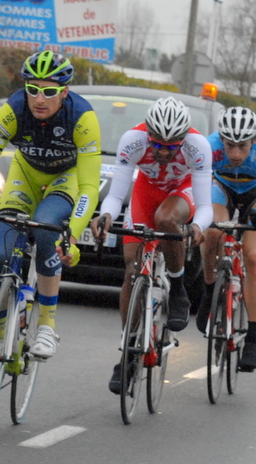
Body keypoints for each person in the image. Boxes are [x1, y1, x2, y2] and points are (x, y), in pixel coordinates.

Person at [0, 50, 100, 367]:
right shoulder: (14, 110)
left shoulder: (82, 117)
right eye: (32, 89)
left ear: (65, 91)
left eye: (49, 91)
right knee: (4, 251)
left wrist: (72, 234)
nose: (39, 99)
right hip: (26, 175)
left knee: (46, 228)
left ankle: (47, 326)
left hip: (65, 178)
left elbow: (89, 186)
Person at [91, 97, 210, 393]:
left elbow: (206, 204)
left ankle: (178, 287)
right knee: (132, 268)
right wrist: (106, 214)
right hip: (146, 191)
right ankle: (128, 350)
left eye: (171, 148)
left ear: (183, 140)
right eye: (156, 144)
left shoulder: (198, 147)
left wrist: (197, 226)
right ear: (147, 135)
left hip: (180, 193)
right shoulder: (132, 140)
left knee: (166, 218)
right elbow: (117, 194)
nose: (162, 152)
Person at [197, 107, 256, 370]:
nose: (235, 154)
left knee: (253, 257)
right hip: (223, 187)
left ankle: (253, 337)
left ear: (252, 141)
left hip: (254, 194)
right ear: (221, 140)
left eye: (242, 147)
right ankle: (209, 292)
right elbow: (196, 181)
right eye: (230, 145)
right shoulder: (209, 147)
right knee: (211, 233)